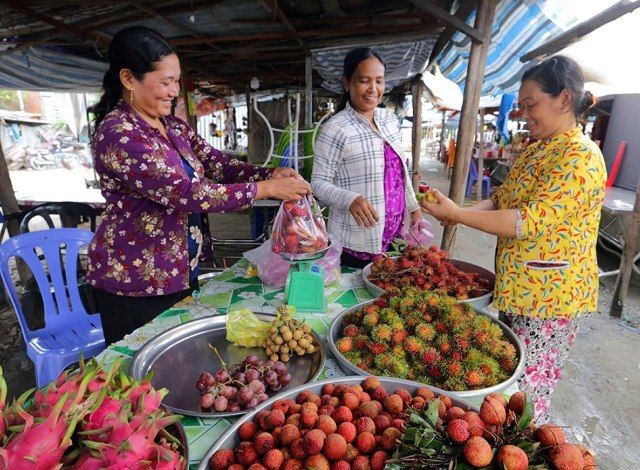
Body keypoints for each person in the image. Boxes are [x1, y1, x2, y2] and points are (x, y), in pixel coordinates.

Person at [87, 26, 311, 345]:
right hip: (135, 282)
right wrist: (266, 190)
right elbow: (186, 193)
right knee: (140, 374)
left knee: (174, 365)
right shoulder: (119, 134)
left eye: (176, 81)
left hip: (179, 270)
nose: (173, 91)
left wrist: (270, 173)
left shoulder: (172, 126)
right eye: (165, 82)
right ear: (128, 79)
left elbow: (218, 164)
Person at [421, 55, 606, 422]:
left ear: (564, 99)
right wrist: (458, 207)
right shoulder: (537, 150)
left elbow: (528, 221)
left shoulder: (581, 158)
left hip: (551, 299)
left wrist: (458, 216)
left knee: (526, 396)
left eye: (531, 104)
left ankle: (522, 451)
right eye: (521, 106)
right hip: (519, 291)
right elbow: (502, 200)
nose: (524, 114)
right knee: (508, 382)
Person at [311, 47, 423, 268]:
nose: (373, 89)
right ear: (346, 82)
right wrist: (350, 199)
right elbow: (317, 184)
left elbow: (399, 173)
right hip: (355, 244)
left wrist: (414, 209)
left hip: (393, 239)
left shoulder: (389, 119)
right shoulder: (335, 128)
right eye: (364, 80)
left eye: (379, 81)